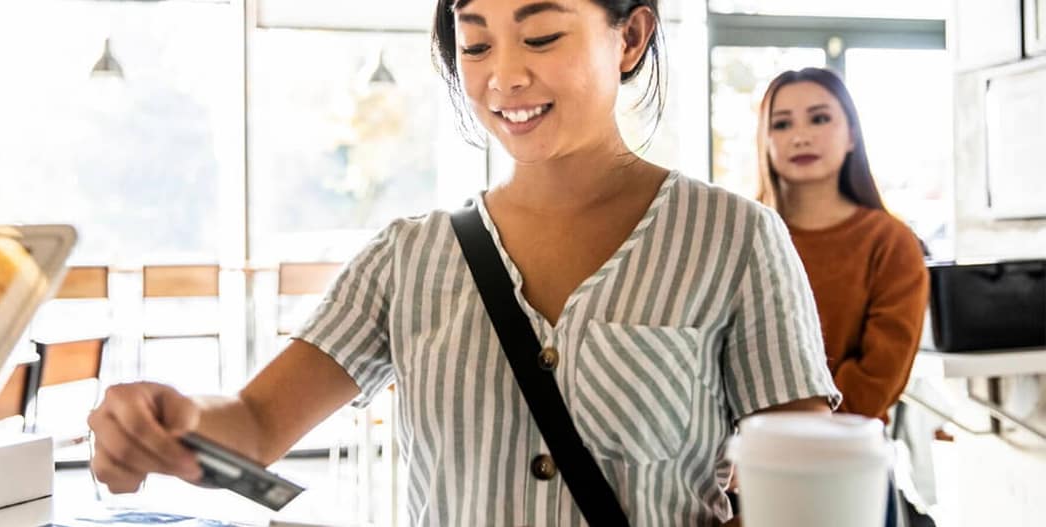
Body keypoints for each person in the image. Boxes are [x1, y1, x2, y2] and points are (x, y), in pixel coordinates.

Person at [88, 2, 841, 525]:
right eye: (475, 45)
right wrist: (175, 422)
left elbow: (810, 494)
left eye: (540, 36)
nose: (503, 77)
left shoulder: (735, 238)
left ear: (632, 37)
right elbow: (256, 423)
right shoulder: (407, 258)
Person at [755, 68, 932, 527]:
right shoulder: (741, 235)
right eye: (782, 123)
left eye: (819, 118)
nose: (800, 136)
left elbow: (878, 378)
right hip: (746, 473)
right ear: (765, 141)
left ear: (852, 134)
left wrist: (789, 435)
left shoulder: (891, 242)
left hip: (848, 473)